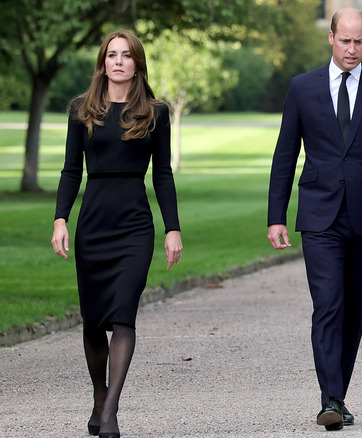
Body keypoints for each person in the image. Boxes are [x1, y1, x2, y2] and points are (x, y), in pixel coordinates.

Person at [266, 7, 362, 432]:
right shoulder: (302, 88)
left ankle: (338, 394)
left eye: (359, 41)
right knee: (327, 304)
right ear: (331, 38)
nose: (352, 49)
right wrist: (277, 216)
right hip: (319, 215)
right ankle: (330, 397)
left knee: (354, 309)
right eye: (345, 41)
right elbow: (284, 155)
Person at [51, 30, 182, 438]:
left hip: (134, 227)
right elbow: (71, 170)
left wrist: (172, 228)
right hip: (94, 224)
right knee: (93, 322)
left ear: (137, 63)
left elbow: (162, 174)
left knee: (124, 314)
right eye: (112, 55)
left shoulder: (155, 113)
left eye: (126, 55)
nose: (119, 62)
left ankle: (110, 413)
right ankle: (98, 396)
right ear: (103, 62)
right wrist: (60, 219)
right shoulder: (82, 109)